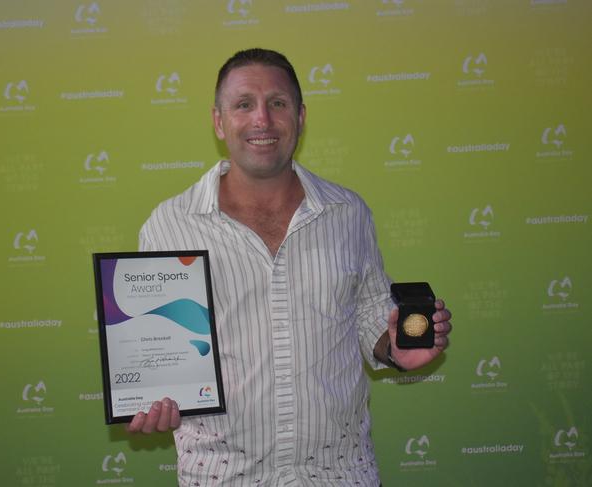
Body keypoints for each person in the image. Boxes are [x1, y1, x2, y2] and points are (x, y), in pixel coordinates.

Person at [128, 48, 452, 486]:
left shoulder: (348, 212)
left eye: (277, 103)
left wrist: (394, 346)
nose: (262, 119)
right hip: (224, 477)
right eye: (244, 104)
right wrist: (152, 396)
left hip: (338, 474)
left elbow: (371, 313)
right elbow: (158, 349)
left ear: (300, 117)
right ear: (219, 121)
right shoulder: (168, 225)